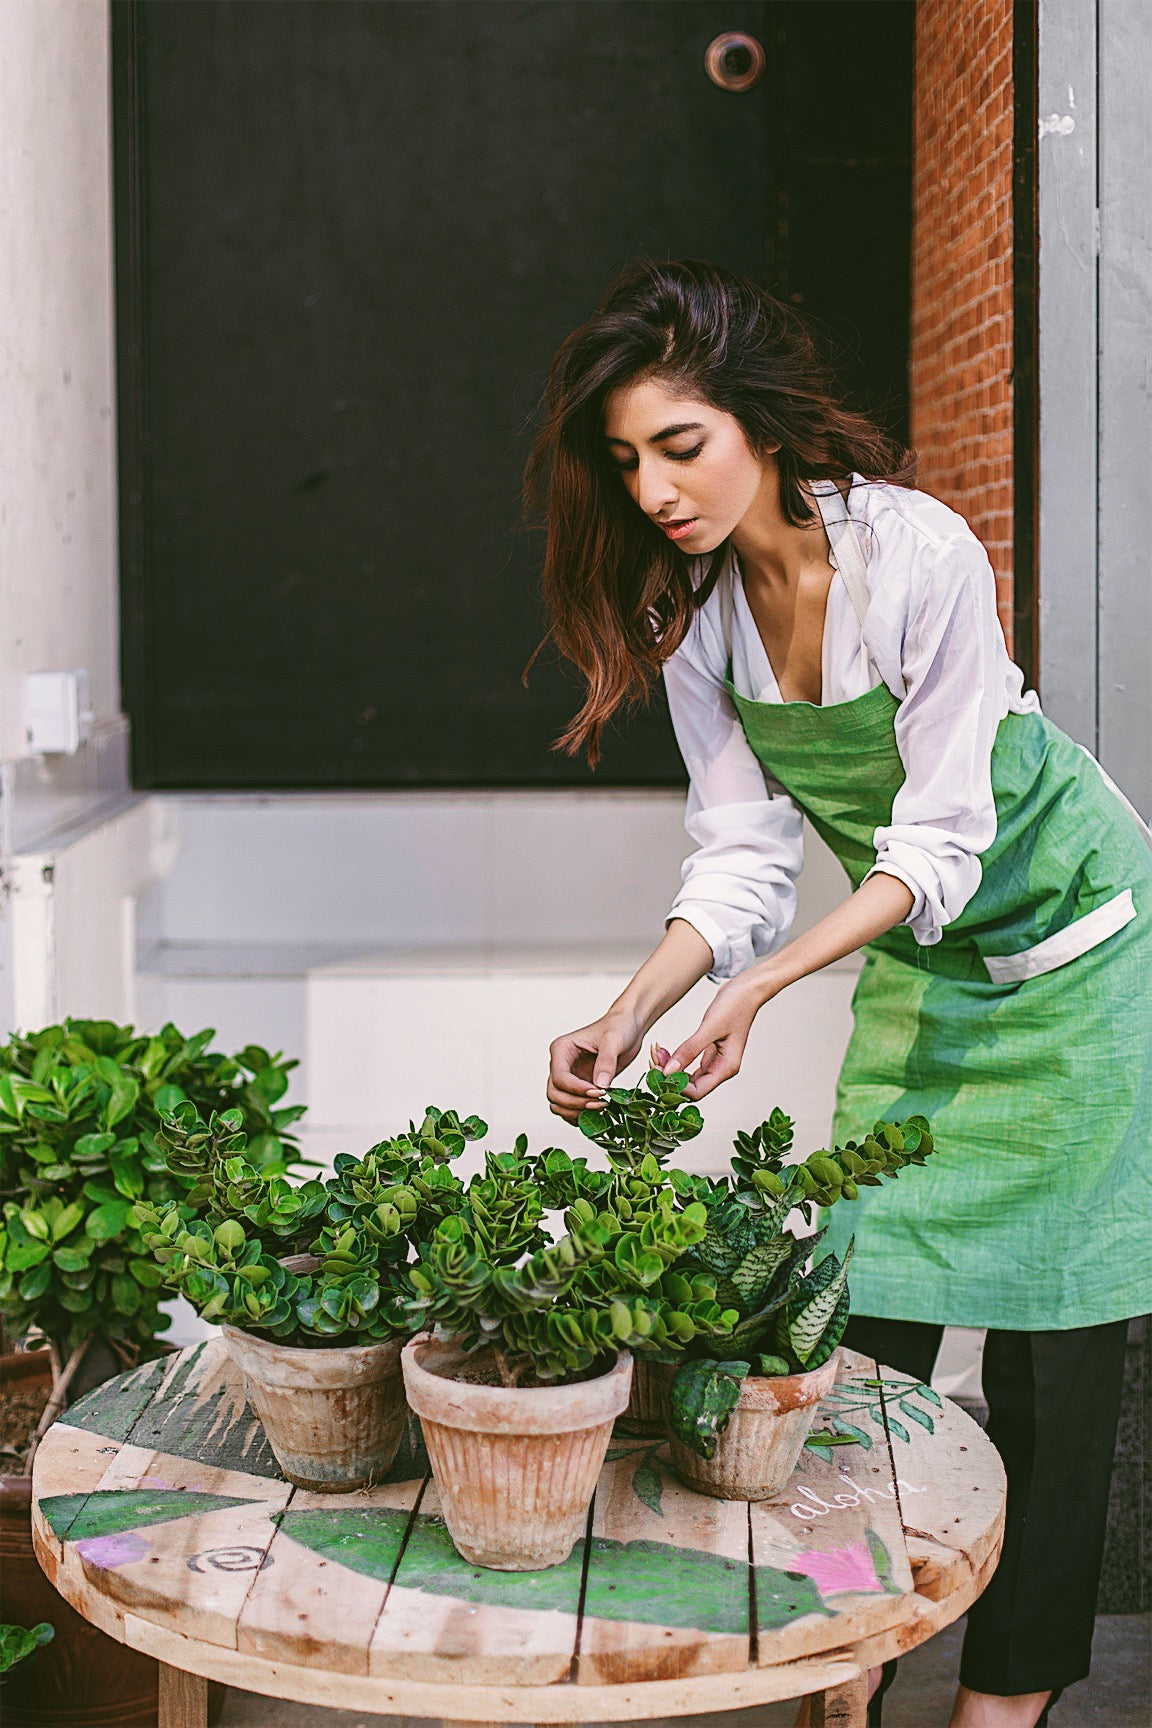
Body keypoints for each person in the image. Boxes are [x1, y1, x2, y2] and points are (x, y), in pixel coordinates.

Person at [531, 259, 1152, 1728]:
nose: (657, 488)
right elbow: (743, 859)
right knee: (854, 1330)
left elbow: (934, 847)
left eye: (681, 444)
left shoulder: (916, 554)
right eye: (628, 462)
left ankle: (1005, 1701)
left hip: (1081, 962)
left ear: (760, 425)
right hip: (931, 964)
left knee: (1063, 1361)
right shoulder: (699, 618)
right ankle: (848, 1664)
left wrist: (758, 1001)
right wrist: (635, 1009)